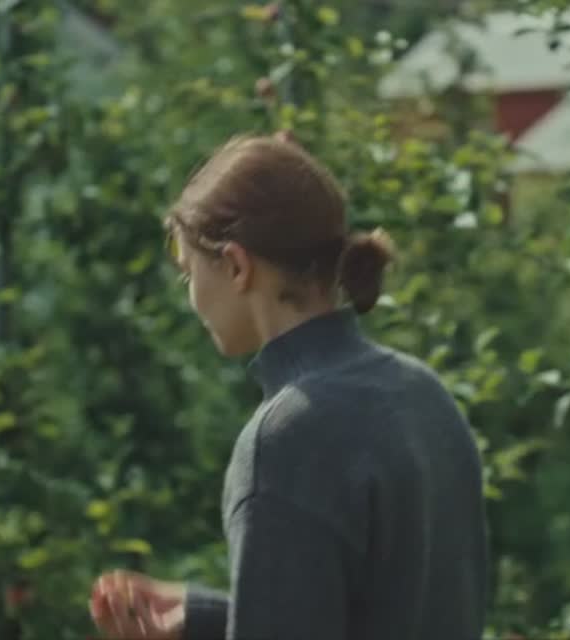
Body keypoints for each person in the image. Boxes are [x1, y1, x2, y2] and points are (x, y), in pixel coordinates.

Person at [89, 134, 490, 640]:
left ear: (236, 266)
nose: (191, 298)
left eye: (189, 275)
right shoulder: (423, 393)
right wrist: (208, 619)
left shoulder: (284, 440)